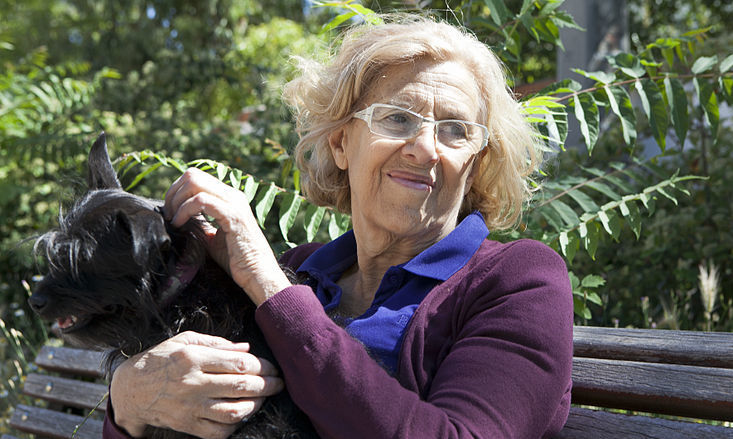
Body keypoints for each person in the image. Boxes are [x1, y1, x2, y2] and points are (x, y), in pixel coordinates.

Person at [103, 14, 573, 439]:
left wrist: (268, 284)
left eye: (455, 130)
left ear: (476, 162)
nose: (426, 148)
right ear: (341, 144)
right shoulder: (305, 270)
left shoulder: (519, 280)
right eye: (397, 118)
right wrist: (127, 402)